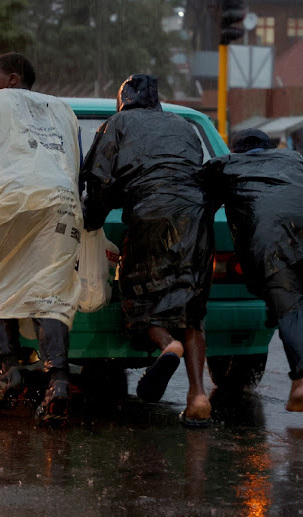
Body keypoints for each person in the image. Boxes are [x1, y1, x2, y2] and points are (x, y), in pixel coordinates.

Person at [79, 74, 215, 428]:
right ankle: (199, 395)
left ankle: (167, 345)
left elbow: (99, 180)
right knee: (189, 306)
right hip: (196, 218)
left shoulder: (117, 124)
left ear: (122, 101)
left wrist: (92, 221)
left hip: (150, 215)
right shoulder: (183, 125)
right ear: (157, 101)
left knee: (142, 295)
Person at [203, 129, 303, 436]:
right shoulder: (293, 159)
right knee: (291, 302)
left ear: (235, 150)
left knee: (289, 306)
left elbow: (200, 205)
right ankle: (298, 386)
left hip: (272, 237)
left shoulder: (227, 165)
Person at [0, 52, 83, 422]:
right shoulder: (62, 110)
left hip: (8, 201)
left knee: (2, 282)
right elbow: (74, 164)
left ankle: (10, 370)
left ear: (13, 79)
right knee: (50, 293)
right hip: (60, 202)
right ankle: (59, 382)